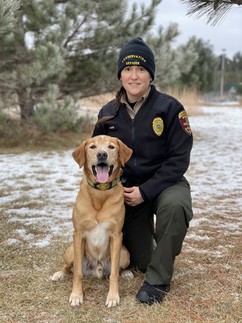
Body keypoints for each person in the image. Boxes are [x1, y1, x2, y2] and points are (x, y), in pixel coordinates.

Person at [92, 37, 193, 305]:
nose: (133, 76)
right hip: (125, 190)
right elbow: (96, 159)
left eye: (140, 69)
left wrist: (146, 191)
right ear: (120, 75)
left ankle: (158, 281)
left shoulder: (170, 108)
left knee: (175, 207)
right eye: (127, 69)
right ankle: (156, 254)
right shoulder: (107, 113)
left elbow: (179, 158)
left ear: (150, 74)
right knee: (139, 261)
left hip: (166, 183)